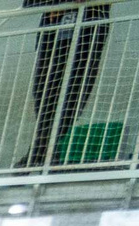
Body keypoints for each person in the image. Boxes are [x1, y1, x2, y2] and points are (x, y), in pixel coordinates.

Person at [18, 0, 112, 171]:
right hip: (53, 35)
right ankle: (44, 150)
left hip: (88, 32)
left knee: (75, 94)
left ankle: (42, 150)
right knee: (43, 93)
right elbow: (29, 2)